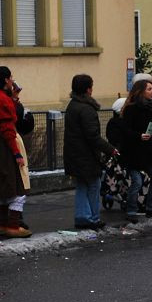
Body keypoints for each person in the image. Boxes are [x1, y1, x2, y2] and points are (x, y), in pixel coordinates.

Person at [0, 79, 35, 232]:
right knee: (9, 189)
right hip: (3, 152)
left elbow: (21, 124)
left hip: (3, 151)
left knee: (6, 189)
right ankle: (3, 222)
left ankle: (10, 222)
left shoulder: (0, 104)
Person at [64, 74, 117, 230]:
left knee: (82, 185)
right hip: (86, 156)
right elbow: (92, 136)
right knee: (94, 185)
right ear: (88, 89)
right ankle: (91, 218)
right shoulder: (87, 109)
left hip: (74, 154)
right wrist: (110, 149)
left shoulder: (72, 105)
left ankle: (82, 216)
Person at [120, 80, 152, 221]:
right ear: (141, 91)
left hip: (147, 152)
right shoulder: (131, 109)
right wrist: (139, 136)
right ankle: (131, 211)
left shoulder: (149, 108)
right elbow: (125, 130)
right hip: (134, 152)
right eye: (149, 89)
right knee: (136, 181)